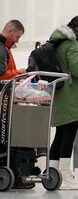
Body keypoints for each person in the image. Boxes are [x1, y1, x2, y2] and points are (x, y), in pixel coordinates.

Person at [48, 15, 78, 190]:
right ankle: (66, 177)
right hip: (72, 96)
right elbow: (76, 70)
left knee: (60, 136)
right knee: (68, 136)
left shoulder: (58, 41)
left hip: (60, 94)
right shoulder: (72, 44)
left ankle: (52, 175)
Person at [0, 20, 33, 189]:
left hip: (6, 99)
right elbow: (1, 74)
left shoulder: (5, 48)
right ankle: (11, 174)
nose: (18, 40)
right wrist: (20, 73)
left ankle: (13, 174)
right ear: (11, 30)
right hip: (3, 100)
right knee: (5, 138)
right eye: (18, 36)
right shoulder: (1, 48)